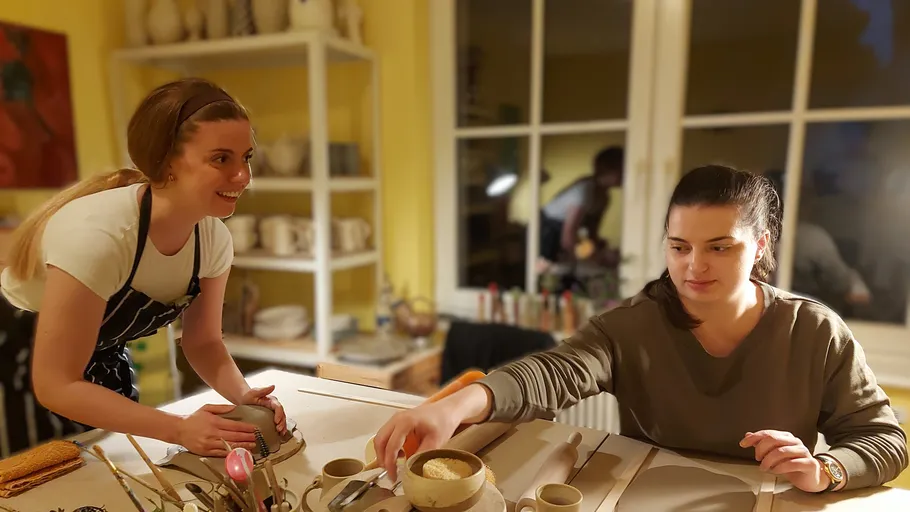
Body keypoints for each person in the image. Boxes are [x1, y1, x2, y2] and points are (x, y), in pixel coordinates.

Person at [374, 165, 908, 493]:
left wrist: (827, 469)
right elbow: (551, 373)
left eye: (719, 247)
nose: (694, 266)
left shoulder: (815, 332)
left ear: (761, 246)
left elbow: (884, 440)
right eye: (679, 247)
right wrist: (453, 405)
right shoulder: (633, 325)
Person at [0, 78, 286, 458]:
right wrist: (178, 429)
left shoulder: (212, 240)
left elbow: (203, 342)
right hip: (14, 370)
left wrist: (244, 396)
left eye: (246, 157)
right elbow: (55, 384)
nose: (243, 177)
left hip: (95, 368)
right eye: (221, 158)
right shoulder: (101, 238)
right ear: (166, 161)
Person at [538, 146, 623, 271]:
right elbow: (568, 238)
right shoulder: (583, 192)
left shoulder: (604, 197)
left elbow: (592, 234)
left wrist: (600, 250)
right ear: (612, 170)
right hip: (545, 233)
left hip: (559, 235)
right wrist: (596, 258)